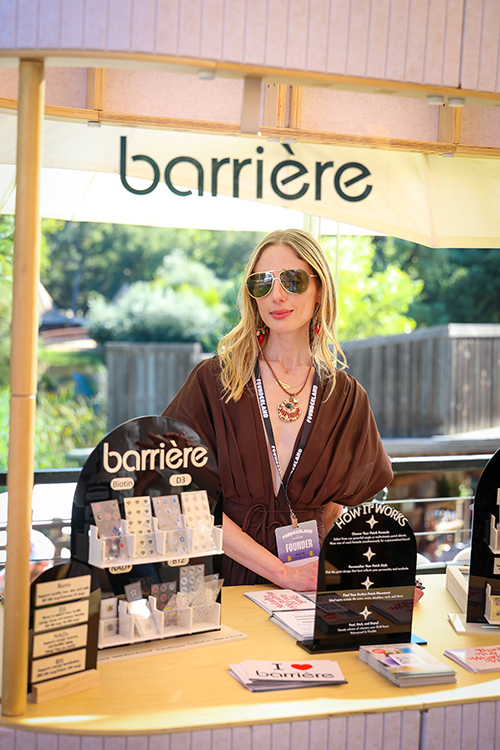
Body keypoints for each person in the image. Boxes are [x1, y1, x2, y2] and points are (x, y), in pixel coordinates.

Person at [163, 229, 393, 590]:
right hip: (223, 581)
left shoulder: (347, 397)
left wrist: (373, 579)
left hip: (310, 582)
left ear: (320, 290)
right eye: (262, 283)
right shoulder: (213, 381)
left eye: (293, 280)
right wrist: (281, 572)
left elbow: (334, 515)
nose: (277, 295)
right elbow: (180, 495)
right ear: (251, 296)